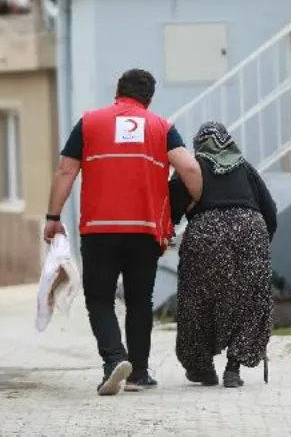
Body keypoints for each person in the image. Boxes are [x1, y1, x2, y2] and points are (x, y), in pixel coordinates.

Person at [43, 68, 203, 396]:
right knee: (139, 300)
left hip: (99, 230)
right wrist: (195, 203)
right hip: (144, 230)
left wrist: (53, 216)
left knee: (100, 298)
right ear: (149, 98)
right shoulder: (161, 127)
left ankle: (114, 359)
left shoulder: (89, 123)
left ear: (118, 92)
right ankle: (139, 374)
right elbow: (189, 167)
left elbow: (65, 171)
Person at [169, 121, 277, 388]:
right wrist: (262, 244)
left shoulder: (192, 168)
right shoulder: (244, 167)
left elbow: (172, 210)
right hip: (251, 230)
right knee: (251, 299)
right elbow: (269, 209)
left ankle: (202, 368)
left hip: (207, 233)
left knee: (198, 300)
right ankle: (234, 367)